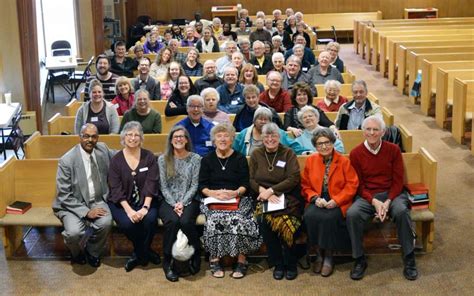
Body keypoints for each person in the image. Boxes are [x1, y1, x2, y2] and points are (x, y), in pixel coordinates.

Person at [347, 115, 418, 281]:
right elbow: (358, 184)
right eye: (368, 129)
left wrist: (387, 201)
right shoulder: (356, 153)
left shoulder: (393, 149)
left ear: (383, 132)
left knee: (401, 211)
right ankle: (359, 259)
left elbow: (398, 180)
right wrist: (373, 201)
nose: (372, 133)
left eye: (376, 129)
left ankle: (409, 258)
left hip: (391, 194)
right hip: (368, 196)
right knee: (352, 214)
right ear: (363, 132)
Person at [199, 123, 262, 279]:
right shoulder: (207, 159)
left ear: (232, 139)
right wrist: (214, 193)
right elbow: (202, 185)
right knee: (215, 219)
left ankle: (241, 260)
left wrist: (234, 192)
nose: (222, 139)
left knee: (240, 219)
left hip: (237, 198)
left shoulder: (239, 158)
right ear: (213, 140)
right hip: (213, 199)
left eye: (226, 136)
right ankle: (215, 259)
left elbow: (245, 184)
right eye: (219, 136)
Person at [53, 123, 114, 267]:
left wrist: (147, 155)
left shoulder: (103, 149)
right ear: (80, 137)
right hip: (72, 203)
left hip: (97, 200)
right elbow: (64, 194)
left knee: (105, 223)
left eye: (93, 136)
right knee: (74, 233)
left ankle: (92, 252)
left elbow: (122, 155)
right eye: (86, 136)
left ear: (97, 138)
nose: (90, 140)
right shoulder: (67, 160)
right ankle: (77, 253)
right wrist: (86, 212)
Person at [249, 122, 303, 280]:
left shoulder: (288, 153)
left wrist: (272, 191)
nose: (270, 139)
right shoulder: (256, 154)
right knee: (264, 220)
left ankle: (291, 262)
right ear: (262, 137)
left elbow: (293, 178)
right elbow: (251, 179)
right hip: (262, 196)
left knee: (287, 221)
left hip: (287, 196)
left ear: (279, 137)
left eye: (274, 135)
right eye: (267, 135)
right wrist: (262, 191)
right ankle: (277, 263)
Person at [301, 127, 358, 277]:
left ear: (333, 143)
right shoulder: (311, 160)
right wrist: (314, 198)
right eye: (320, 144)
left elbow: (352, 185)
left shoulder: (343, 161)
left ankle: (328, 256)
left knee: (328, 218)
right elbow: (305, 185)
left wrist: (337, 201)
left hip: (337, 198)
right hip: (318, 198)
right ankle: (318, 253)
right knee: (309, 216)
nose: (324, 146)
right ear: (315, 146)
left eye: (327, 142)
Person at [108, 121, 161, 272]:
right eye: (129, 134)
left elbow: (152, 183)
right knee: (127, 224)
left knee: (149, 220)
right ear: (123, 137)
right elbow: (115, 188)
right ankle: (144, 252)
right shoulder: (116, 160)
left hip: (146, 200)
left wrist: (145, 207)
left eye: (136, 134)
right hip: (121, 202)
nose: (133, 138)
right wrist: (130, 211)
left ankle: (138, 254)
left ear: (141, 138)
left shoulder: (149, 156)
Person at [158, 126, 202, 281]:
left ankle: (197, 252)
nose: (179, 139)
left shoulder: (196, 159)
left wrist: (182, 203)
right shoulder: (163, 159)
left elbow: (195, 185)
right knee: (172, 221)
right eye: (175, 136)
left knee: (185, 221)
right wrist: (174, 203)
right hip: (168, 200)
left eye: (182, 136)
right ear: (171, 140)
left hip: (190, 199)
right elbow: (163, 186)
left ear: (187, 140)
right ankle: (167, 259)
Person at [233, 107, 306, 156]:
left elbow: (293, 145)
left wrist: (304, 152)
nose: (263, 122)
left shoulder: (279, 133)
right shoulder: (244, 134)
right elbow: (234, 150)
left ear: (270, 121)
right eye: (260, 119)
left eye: (266, 119)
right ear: (254, 121)